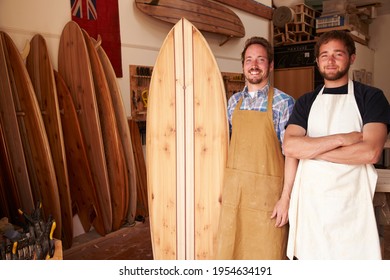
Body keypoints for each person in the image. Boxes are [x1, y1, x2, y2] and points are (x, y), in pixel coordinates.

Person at [284, 30, 390, 260]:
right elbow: (290, 147)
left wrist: (311, 150)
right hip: (311, 206)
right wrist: (342, 139)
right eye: (324, 55)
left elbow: (370, 152)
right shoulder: (306, 101)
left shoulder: (371, 98)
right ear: (317, 61)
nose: (330, 61)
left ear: (352, 58)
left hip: (351, 206)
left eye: (338, 54)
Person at [215, 36, 295, 259]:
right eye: (249, 59)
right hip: (237, 196)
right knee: (233, 256)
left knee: (268, 256)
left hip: (268, 200)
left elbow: (292, 154)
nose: (254, 65)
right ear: (243, 66)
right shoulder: (233, 103)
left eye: (260, 59)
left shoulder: (283, 102)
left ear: (270, 65)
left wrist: (286, 199)